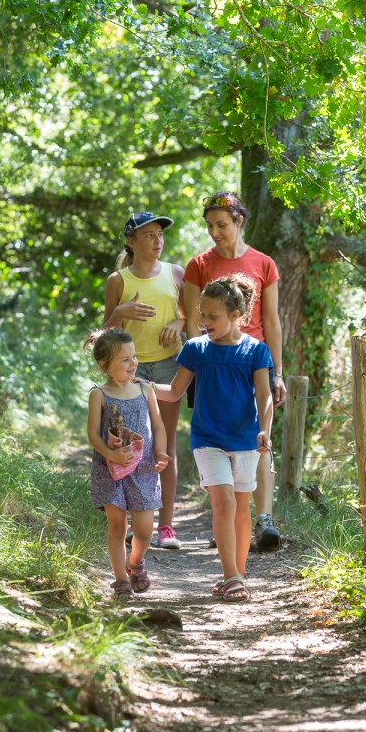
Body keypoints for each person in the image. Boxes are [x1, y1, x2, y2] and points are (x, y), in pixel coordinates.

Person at [155, 275, 273, 601]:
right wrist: (142, 386)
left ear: (236, 316)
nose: (204, 322)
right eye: (201, 315)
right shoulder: (196, 349)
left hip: (247, 439)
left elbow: (263, 395)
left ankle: (239, 573)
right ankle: (231, 575)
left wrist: (266, 428)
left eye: (212, 316)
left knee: (241, 508)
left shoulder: (256, 351)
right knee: (223, 501)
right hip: (207, 438)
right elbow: (175, 390)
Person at [182, 191, 286, 551]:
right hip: (214, 365)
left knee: (259, 434)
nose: (215, 232)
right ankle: (224, 518)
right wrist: (198, 365)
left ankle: (264, 518)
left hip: (254, 361)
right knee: (220, 438)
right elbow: (194, 322)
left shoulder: (264, 263)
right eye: (209, 225)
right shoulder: (198, 264)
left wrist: (278, 372)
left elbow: (271, 322)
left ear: (239, 222)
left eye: (222, 225)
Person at [104, 211, 185, 550]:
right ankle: (128, 520)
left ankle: (165, 526)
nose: (157, 241)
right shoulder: (118, 281)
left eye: (159, 235)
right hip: (129, 371)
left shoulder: (176, 274)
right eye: (149, 236)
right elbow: (105, 336)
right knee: (127, 444)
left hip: (168, 366)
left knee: (164, 447)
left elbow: (193, 318)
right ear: (131, 242)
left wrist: (178, 325)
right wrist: (120, 314)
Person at [85, 328, 170, 600]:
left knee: (144, 531)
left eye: (134, 357)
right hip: (110, 470)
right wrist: (111, 455)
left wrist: (162, 453)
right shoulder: (99, 394)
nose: (133, 364)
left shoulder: (145, 389)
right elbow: (92, 435)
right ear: (105, 366)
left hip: (143, 467)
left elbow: (157, 425)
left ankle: (135, 562)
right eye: (125, 360)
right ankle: (120, 579)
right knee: (117, 526)